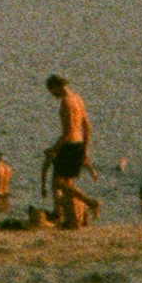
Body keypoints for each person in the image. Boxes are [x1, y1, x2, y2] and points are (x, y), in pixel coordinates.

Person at [46, 77, 97, 228]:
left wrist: (53, 148)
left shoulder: (66, 102)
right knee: (68, 184)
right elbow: (87, 127)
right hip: (79, 143)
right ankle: (74, 221)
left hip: (69, 145)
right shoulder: (78, 99)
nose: (52, 95)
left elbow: (67, 132)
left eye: (51, 91)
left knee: (58, 182)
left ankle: (90, 202)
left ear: (55, 87)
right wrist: (85, 150)